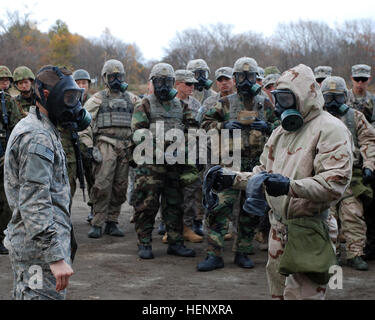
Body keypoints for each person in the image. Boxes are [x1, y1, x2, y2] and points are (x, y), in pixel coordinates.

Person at [205, 64, 353, 299]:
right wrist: (231, 179)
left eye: (287, 99)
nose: (282, 106)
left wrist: (289, 187)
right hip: (278, 230)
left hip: (309, 230)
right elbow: (263, 172)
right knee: (279, 295)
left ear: (306, 97)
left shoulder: (330, 129)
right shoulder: (282, 132)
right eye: (279, 99)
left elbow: (334, 183)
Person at [3, 65, 91, 299]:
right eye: (67, 98)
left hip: (40, 247)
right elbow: (34, 203)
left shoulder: (45, 129)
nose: (73, 105)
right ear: (45, 96)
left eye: (75, 98)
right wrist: (55, 257)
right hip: (38, 253)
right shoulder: (37, 137)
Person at [198, 57, 274, 271]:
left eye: (250, 76)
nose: (245, 81)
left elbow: (280, 125)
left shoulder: (264, 102)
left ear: (256, 77)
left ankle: (243, 251)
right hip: (229, 163)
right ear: (235, 78)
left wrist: (267, 126)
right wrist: (223, 124)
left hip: (255, 165)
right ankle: (214, 254)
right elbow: (204, 124)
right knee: (219, 207)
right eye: (241, 76)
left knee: (250, 209)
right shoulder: (224, 102)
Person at [131, 62, 196, 260]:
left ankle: (176, 242)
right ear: (153, 82)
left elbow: (193, 130)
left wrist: (184, 148)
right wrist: (163, 143)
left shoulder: (181, 106)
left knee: (175, 204)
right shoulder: (144, 104)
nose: (163, 86)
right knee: (146, 204)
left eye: (167, 81)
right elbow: (138, 132)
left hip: (175, 164)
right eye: (159, 81)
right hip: (150, 165)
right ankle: (144, 243)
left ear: (173, 83)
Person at [80, 59, 140, 239]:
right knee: (102, 184)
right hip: (105, 145)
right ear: (105, 77)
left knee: (120, 186)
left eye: (119, 76)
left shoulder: (132, 99)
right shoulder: (97, 99)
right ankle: (97, 222)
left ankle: (112, 221)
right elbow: (84, 123)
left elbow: (141, 122)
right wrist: (88, 146)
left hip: (125, 147)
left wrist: (138, 146)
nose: (116, 80)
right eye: (112, 76)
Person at [321, 76, 375, 271]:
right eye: (329, 98)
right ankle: (330, 254)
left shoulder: (355, 117)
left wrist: (369, 164)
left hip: (350, 177)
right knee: (328, 217)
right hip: (324, 177)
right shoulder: (316, 118)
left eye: (338, 98)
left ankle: (355, 254)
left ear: (345, 97)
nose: (334, 102)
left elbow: (369, 141)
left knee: (353, 215)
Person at [346, 64, 375, 260]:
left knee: (367, 203)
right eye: (357, 79)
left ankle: (366, 246)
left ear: (369, 80)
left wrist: (369, 164)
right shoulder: (341, 97)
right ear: (352, 79)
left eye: (364, 79)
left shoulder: (372, 101)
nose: (360, 83)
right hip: (343, 156)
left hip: (365, 154)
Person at [173, 69, 204, 243]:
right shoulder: (169, 103)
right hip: (172, 153)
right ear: (177, 84)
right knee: (171, 192)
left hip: (191, 153)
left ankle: (187, 227)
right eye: (188, 84)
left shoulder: (196, 105)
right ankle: (171, 228)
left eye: (193, 84)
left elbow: (201, 130)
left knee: (191, 191)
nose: (192, 87)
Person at [0, 71, 23, 255]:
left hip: (3, 156)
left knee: (5, 199)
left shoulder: (7, 102)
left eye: (6, 80)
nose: (4, 83)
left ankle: (1, 237)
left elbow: (17, 126)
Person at [72, 69, 95, 223]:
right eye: (78, 83)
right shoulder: (68, 100)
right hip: (73, 147)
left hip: (90, 147)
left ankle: (95, 209)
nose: (82, 85)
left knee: (93, 179)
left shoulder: (94, 101)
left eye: (84, 83)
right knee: (69, 181)